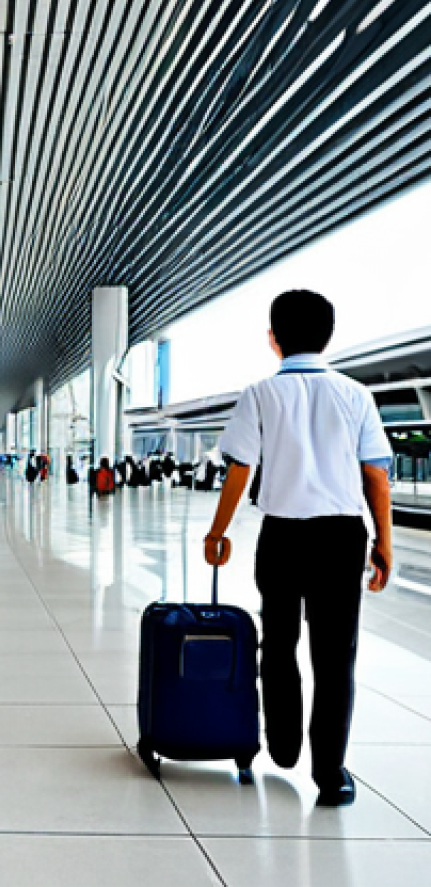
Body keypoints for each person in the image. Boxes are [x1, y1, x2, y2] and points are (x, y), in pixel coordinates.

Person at [203, 289, 393, 808]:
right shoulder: (355, 395)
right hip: (341, 537)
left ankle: (284, 745)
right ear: (328, 338)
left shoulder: (260, 393)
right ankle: (330, 772)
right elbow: (375, 476)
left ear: (274, 339)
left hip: (282, 535)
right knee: (335, 655)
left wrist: (217, 532)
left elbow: (239, 469)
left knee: (279, 639)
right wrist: (383, 542)